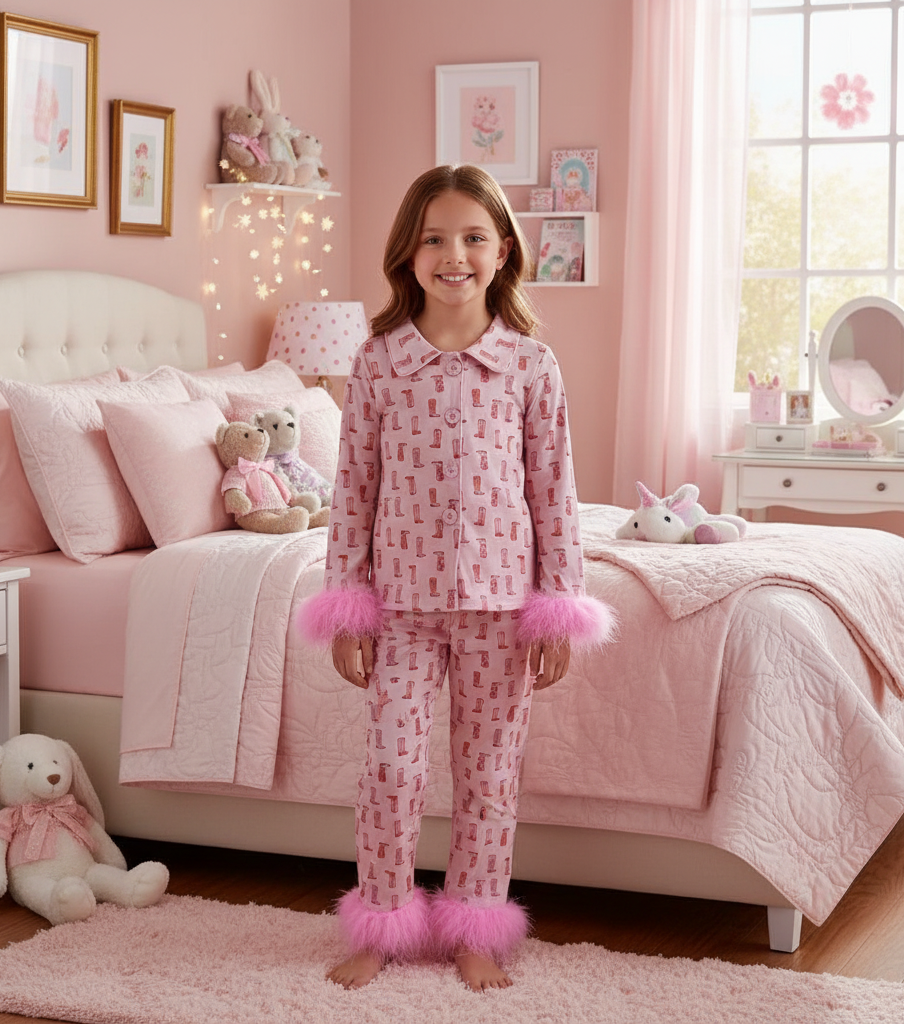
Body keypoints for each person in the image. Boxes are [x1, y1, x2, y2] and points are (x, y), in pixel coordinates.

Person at [298, 164, 616, 992]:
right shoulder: (377, 364)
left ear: (502, 251)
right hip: (400, 607)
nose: (454, 255)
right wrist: (348, 606)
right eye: (434, 238)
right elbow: (353, 491)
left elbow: (555, 492)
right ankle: (381, 921)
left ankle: (476, 925)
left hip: (502, 610)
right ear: (407, 255)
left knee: (488, 774)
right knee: (394, 772)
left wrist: (559, 603)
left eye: (473, 237)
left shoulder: (531, 366)